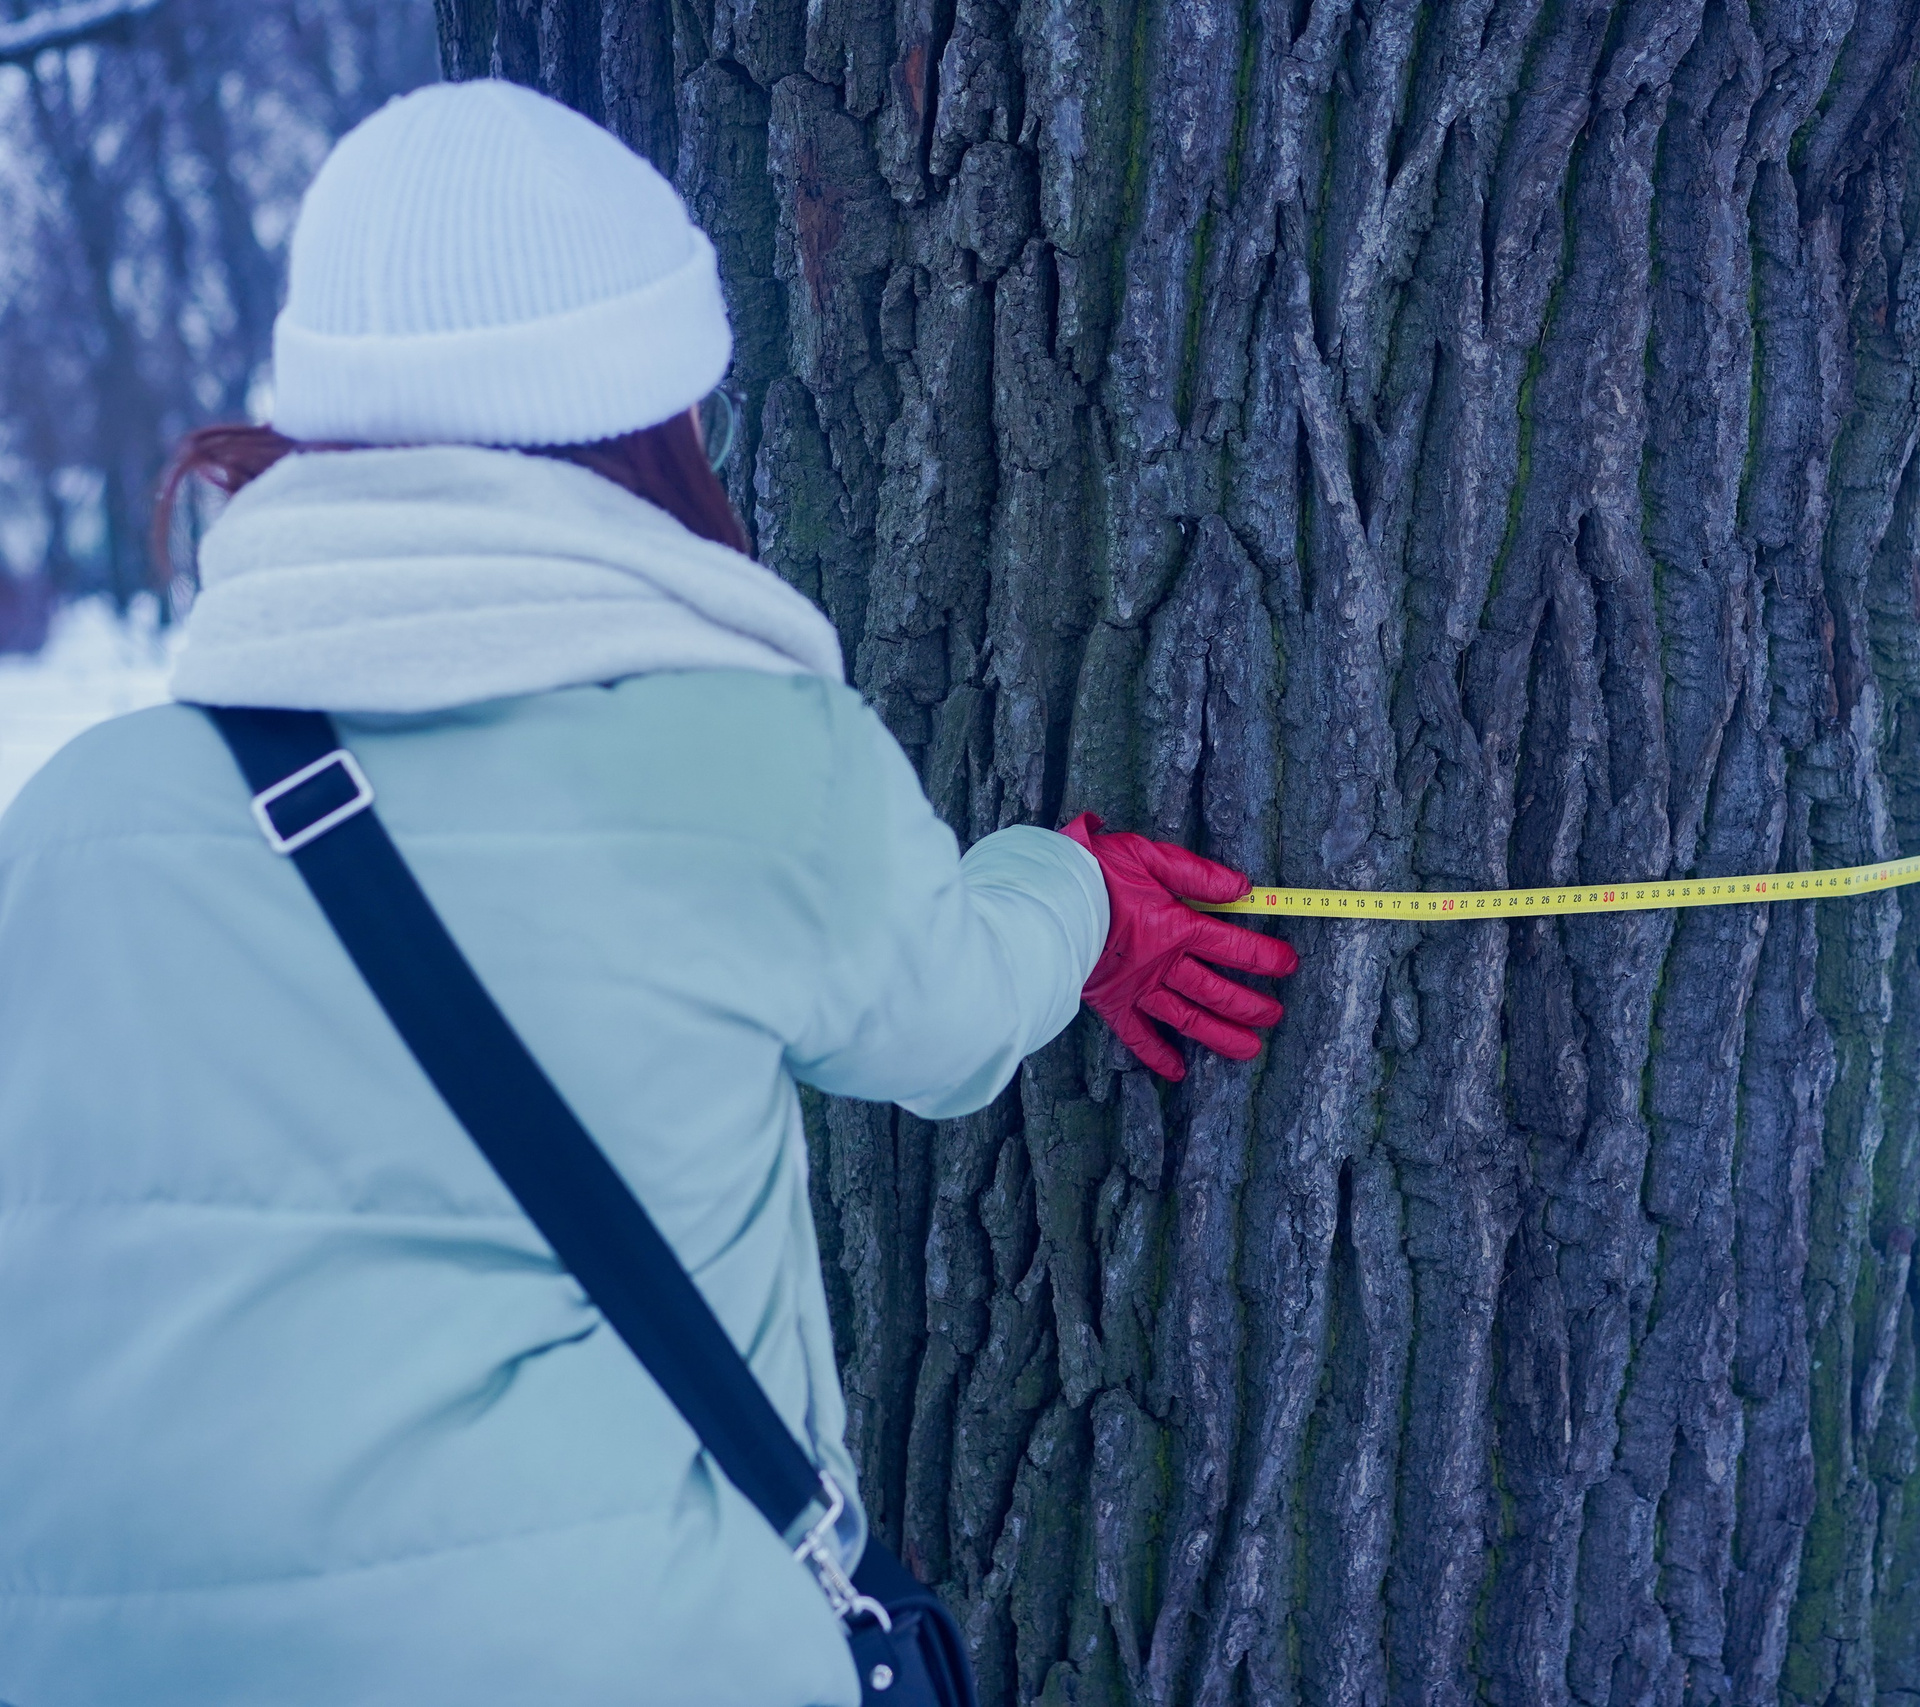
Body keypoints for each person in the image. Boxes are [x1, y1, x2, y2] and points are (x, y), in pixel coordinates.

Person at [0, 82, 1296, 1706]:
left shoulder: (70, 824)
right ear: (651, 414)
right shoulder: (752, 765)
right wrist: (1086, 898)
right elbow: (953, 1016)